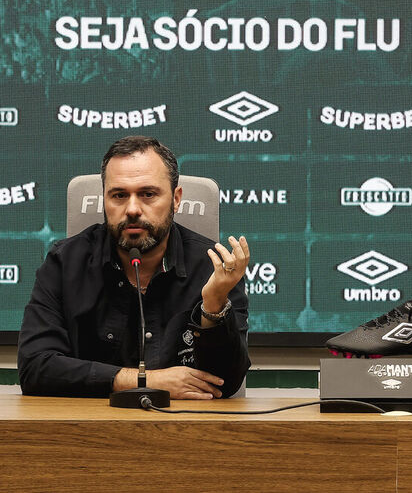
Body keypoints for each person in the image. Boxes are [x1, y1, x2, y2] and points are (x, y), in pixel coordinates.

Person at [18, 136, 251, 398]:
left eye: (147, 194)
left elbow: (225, 383)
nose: (132, 209)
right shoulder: (64, 263)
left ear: (176, 199)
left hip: (185, 428)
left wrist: (213, 306)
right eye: (119, 195)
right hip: (88, 429)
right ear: (104, 199)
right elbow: (35, 368)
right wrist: (145, 381)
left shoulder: (213, 268)